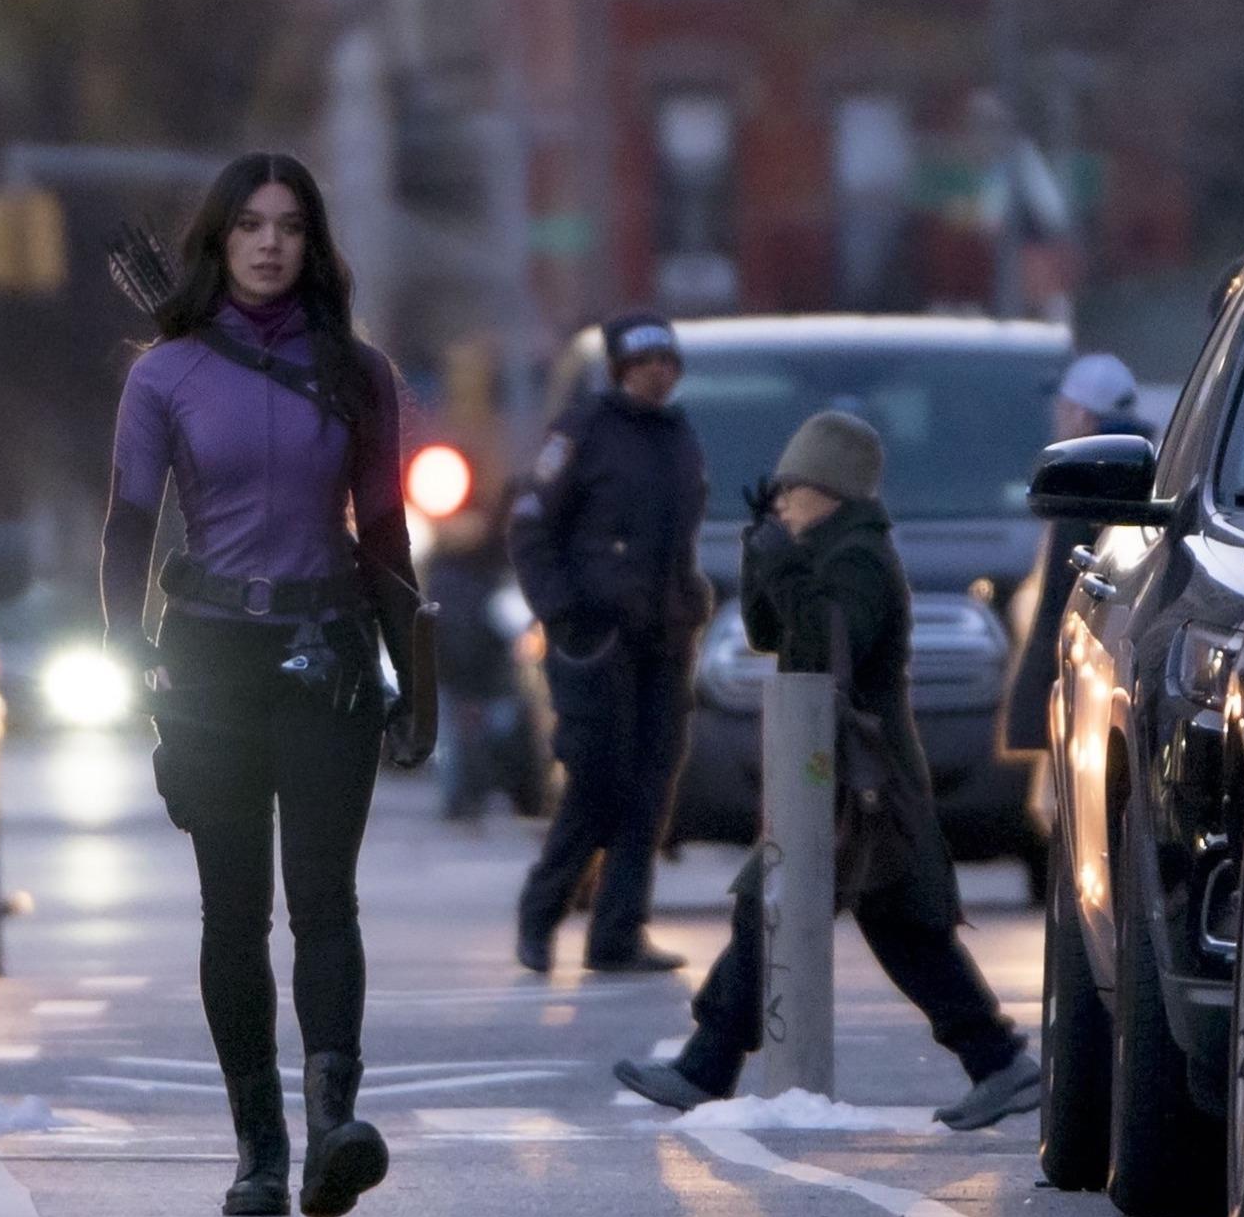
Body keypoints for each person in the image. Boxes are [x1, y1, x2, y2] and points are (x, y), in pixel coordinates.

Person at [101, 153, 430, 1217]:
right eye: (248, 223)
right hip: (207, 657)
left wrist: (411, 667)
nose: (269, 241)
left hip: (326, 644)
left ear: (312, 242)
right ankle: (256, 1144)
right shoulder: (164, 373)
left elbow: (382, 530)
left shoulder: (359, 371)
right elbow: (127, 527)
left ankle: (334, 1123)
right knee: (231, 910)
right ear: (218, 239)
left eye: (289, 224)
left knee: (324, 898)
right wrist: (126, 652)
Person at [614, 413, 1043, 1131]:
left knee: (790, 906)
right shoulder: (827, 547)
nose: (780, 499)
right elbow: (768, 633)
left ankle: (707, 1064)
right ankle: (996, 1061)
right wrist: (763, 552)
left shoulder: (858, 558)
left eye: (793, 488)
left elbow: (821, 652)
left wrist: (783, 562)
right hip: (834, 769)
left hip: (861, 775)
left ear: (832, 490)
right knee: (885, 924)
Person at [506, 313, 709, 974]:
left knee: (650, 787)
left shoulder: (677, 435)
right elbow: (530, 527)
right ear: (620, 368)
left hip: (662, 638)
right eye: (643, 360)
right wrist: (562, 613)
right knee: (596, 782)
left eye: (665, 360)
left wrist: (689, 597)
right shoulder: (582, 430)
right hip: (596, 640)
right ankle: (541, 913)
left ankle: (618, 933)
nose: (657, 371)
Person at [996, 353, 1146, 757]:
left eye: (1063, 408)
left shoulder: (1079, 485)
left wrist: (1030, 718)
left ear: (1081, 416)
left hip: (1080, 697)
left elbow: (1056, 609)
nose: (1058, 418)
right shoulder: (1152, 467)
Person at [426, 496, 542, 824]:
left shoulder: (446, 575)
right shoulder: (493, 576)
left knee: (468, 740)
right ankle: (470, 797)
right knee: (479, 737)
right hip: (478, 674)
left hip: (468, 673)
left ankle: (466, 798)